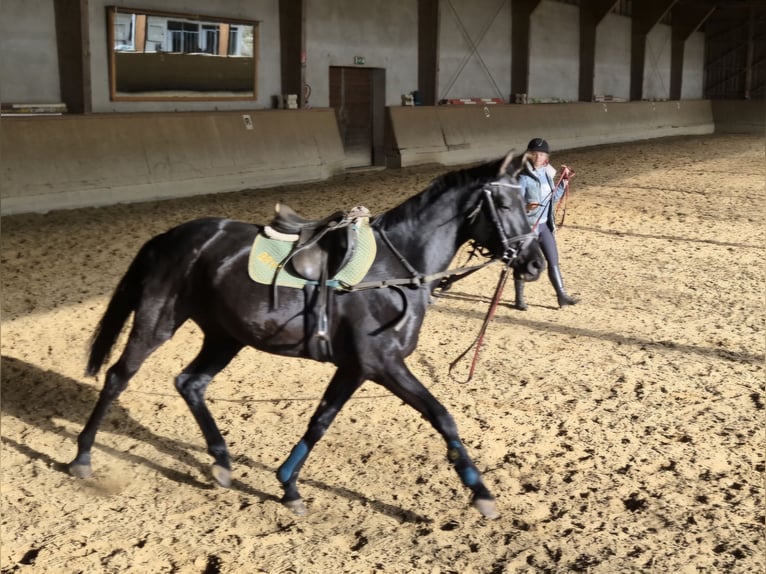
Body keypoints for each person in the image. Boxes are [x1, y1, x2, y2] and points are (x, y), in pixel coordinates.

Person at [512, 137, 578, 310]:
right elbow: (513, 205)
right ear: (529, 155)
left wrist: (563, 183)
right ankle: (519, 299)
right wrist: (526, 207)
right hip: (528, 227)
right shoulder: (523, 178)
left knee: (553, 260)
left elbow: (552, 199)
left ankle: (562, 295)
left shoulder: (546, 175)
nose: (538, 157)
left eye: (542, 154)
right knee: (524, 262)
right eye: (535, 154)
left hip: (544, 226)